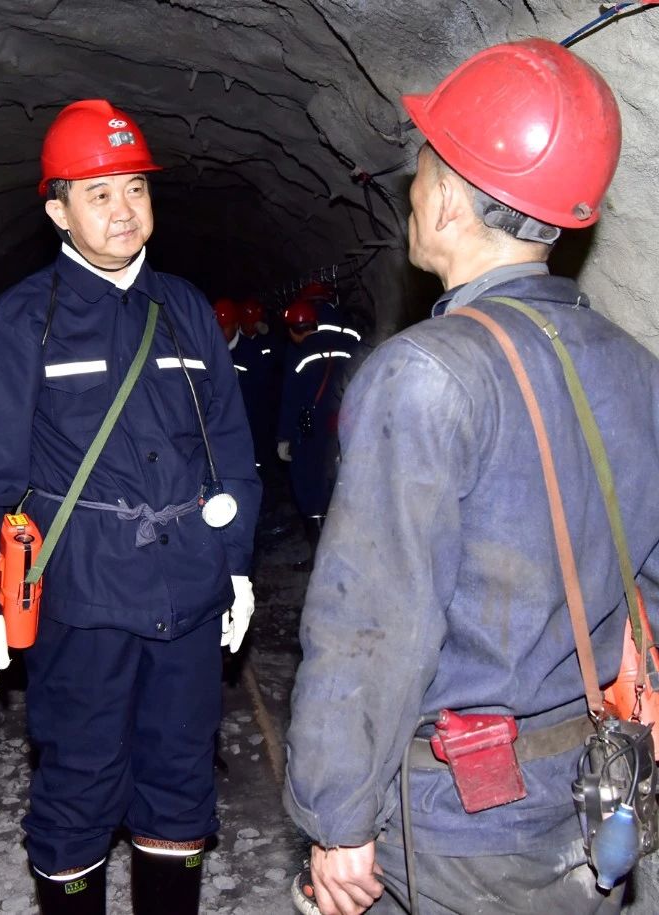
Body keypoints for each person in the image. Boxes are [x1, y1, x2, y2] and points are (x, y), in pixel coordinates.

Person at [284, 38, 659, 915]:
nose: (412, 194)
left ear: (450, 199)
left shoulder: (426, 373)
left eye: (419, 174)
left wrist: (338, 815)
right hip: (588, 792)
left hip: (457, 822)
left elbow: (372, 619)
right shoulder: (636, 368)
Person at [0, 99, 261, 915]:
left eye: (136, 189)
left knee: (181, 781)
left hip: (188, 595)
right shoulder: (24, 320)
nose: (124, 210)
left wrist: (236, 563)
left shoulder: (186, 309)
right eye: (99, 193)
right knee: (80, 783)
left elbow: (230, 449)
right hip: (83, 600)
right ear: (58, 210)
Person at [275, 294, 353, 570]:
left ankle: (320, 558)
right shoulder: (345, 345)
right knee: (339, 485)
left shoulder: (300, 357)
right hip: (344, 427)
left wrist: (284, 437)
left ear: (294, 330)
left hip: (311, 434)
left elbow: (291, 400)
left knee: (310, 489)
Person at [226, 296, 282, 468]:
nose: (254, 326)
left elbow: (278, 370)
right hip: (245, 411)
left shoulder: (269, 341)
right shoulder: (233, 348)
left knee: (266, 452)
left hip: (267, 407)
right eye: (251, 322)